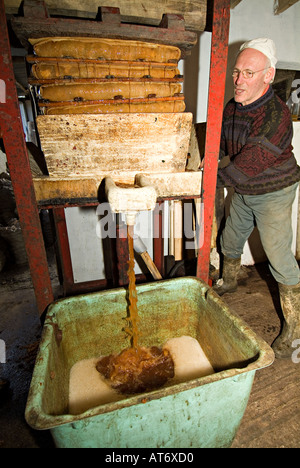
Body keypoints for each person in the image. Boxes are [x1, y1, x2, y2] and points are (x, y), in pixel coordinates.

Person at [213, 38, 300, 359]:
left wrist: (201, 182)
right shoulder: (233, 106)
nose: (238, 80)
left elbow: (243, 168)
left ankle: (294, 329)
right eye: (237, 72)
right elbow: (223, 144)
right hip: (246, 188)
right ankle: (229, 282)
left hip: (274, 191)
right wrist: (205, 157)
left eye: (248, 73)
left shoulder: (276, 118)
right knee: (231, 237)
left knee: (279, 257)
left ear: (268, 75)